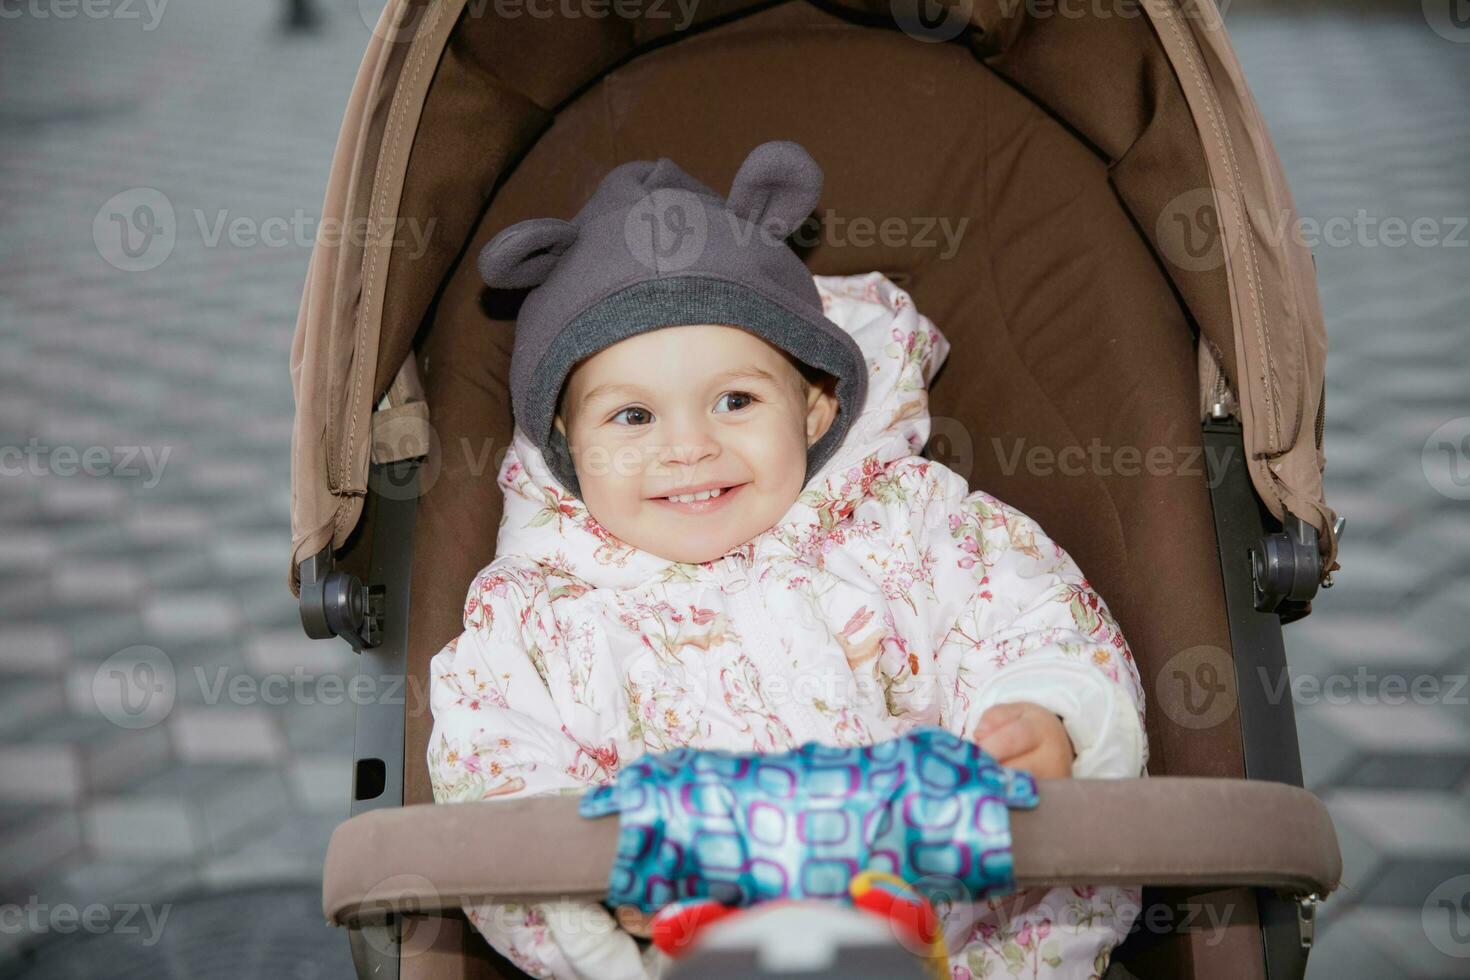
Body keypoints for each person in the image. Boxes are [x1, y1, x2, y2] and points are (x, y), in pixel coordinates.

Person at [427, 140, 1148, 979]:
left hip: (964, 950)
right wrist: (585, 898)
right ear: (565, 442)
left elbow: (1036, 616)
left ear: (813, 409)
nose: (689, 447)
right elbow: (491, 766)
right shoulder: (534, 610)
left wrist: (1046, 715)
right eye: (632, 418)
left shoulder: (911, 523)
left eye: (735, 401)